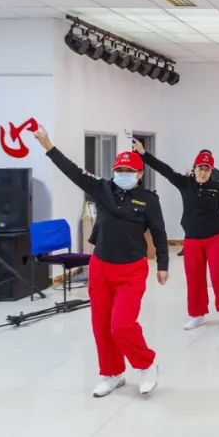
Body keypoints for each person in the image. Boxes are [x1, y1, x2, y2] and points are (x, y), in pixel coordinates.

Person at [32, 126, 168, 397]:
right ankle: (112, 373)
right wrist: (48, 145)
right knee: (102, 326)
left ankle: (147, 364)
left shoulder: (149, 201)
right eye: (119, 170)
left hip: (131, 270)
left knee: (122, 325)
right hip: (101, 267)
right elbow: (73, 171)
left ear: (140, 175)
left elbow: (159, 233)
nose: (123, 174)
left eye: (129, 171)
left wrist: (163, 264)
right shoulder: (102, 188)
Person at [135, 141, 219, 331]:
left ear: (212, 171)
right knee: (194, 278)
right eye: (200, 168)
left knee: (218, 276)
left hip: (216, 238)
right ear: (194, 168)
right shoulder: (185, 183)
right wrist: (144, 154)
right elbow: (165, 170)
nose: (203, 172)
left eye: (207, 169)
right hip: (192, 239)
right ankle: (197, 314)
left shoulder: (217, 188)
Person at [176, 154, 219, 257]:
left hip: (210, 206)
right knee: (193, 223)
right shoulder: (192, 173)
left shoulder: (217, 173)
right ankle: (186, 248)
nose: (203, 171)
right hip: (194, 212)